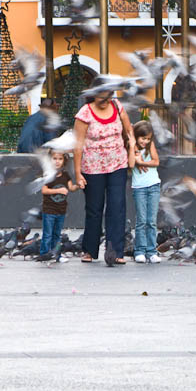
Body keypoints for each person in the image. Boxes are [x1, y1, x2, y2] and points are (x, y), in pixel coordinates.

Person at [73, 90, 135, 264]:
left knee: (117, 207)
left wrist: (132, 149)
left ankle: (115, 252)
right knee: (94, 209)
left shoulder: (117, 106)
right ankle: (89, 250)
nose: (105, 100)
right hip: (92, 167)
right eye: (101, 97)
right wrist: (77, 173)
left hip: (117, 164)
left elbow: (129, 131)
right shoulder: (85, 112)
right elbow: (77, 144)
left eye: (107, 96)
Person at [130, 120, 162, 264]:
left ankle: (152, 251)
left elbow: (156, 162)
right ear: (137, 136)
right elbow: (130, 164)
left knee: (151, 221)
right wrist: (133, 149)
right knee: (141, 220)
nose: (146, 141)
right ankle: (139, 250)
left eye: (148, 139)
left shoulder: (150, 147)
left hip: (154, 185)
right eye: (143, 138)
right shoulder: (132, 148)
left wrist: (141, 162)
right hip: (139, 188)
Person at [40, 151, 79, 261]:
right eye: (54, 158)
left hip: (61, 210)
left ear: (64, 161)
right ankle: (44, 254)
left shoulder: (66, 175)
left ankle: (56, 255)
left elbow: (71, 188)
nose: (57, 161)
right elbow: (44, 190)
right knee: (47, 235)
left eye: (60, 159)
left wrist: (78, 186)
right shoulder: (48, 174)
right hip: (49, 210)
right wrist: (59, 190)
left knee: (57, 235)